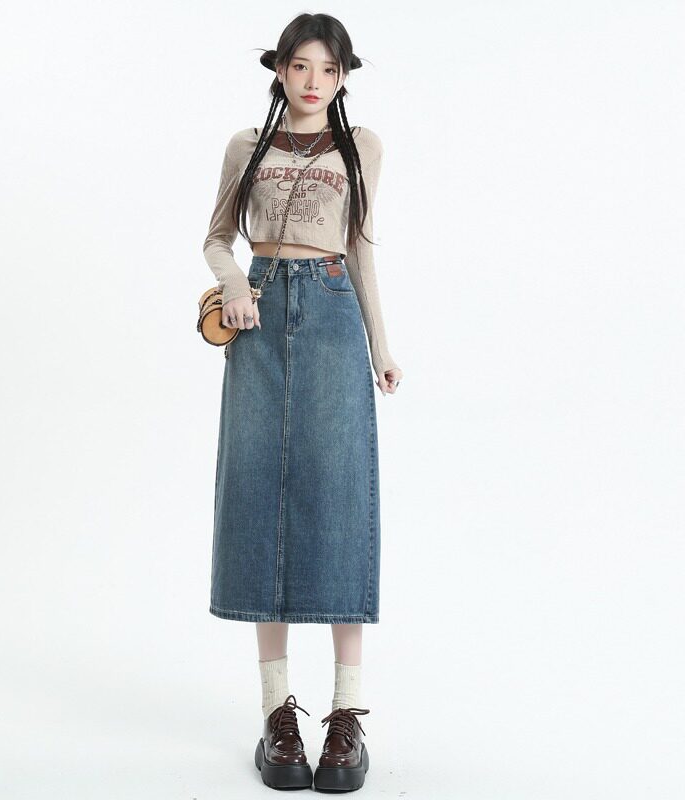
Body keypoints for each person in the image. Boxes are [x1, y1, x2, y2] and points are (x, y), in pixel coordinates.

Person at [202, 12, 402, 793]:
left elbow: (361, 250)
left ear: (343, 77)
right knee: (260, 500)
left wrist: (381, 347)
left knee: (340, 497)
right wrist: (233, 283)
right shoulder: (245, 146)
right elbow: (217, 237)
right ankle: (277, 715)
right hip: (257, 320)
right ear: (279, 70)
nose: (313, 81)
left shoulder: (362, 148)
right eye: (300, 66)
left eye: (328, 68)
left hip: (331, 315)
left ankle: (346, 716)